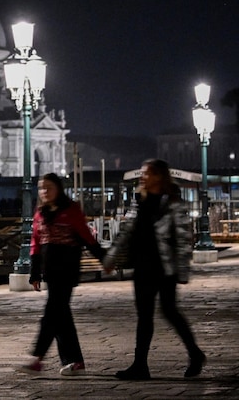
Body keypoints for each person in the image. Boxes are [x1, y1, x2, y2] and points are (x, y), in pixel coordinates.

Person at [104, 158, 205, 380]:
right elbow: (126, 231)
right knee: (144, 316)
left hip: (164, 267)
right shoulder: (139, 200)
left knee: (169, 311)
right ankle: (140, 365)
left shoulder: (173, 203)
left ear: (159, 176)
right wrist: (111, 257)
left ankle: (195, 354)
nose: (143, 176)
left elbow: (182, 237)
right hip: (142, 265)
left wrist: (183, 271)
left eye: (147, 173)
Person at [16, 173, 105, 376]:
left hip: (67, 267)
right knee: (61, 315)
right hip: (50, 269)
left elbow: (86, 236)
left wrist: (103, 259)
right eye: (41, 188)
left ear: (58, 189)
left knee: (53, 312)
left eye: (49, 187)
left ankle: (37, 357)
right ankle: (75, 361)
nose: (44, 191)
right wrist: (34, 273)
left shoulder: (71, 210)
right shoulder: (40, 213)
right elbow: (35, 245)